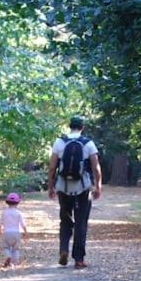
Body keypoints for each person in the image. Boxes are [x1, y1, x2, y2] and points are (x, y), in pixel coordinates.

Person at [47, 115, 102, 268]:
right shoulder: (88, 143)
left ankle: (63, 249)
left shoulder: (59, 142)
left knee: (65, 220)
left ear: (69, 126)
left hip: (63, 188)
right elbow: (96, 168)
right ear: (82, 127)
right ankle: (78, 259)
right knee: (81, 222)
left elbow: (52, 167)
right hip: (82, 189)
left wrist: (50, 186)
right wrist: (98, 186)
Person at [0, 192, 28, 267]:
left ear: (7, 202)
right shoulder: (18, 213)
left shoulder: (4, 212)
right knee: (16, 249)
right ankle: (15, 262)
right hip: (16, 234)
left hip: (6, 233)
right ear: (17, 203)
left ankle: (8, 256)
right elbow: (23, 224)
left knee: (5, 248)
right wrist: (26, 232)